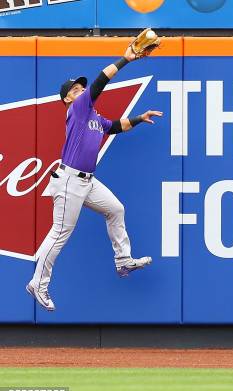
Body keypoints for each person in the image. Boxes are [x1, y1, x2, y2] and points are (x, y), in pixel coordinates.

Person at [26, 42, 163, 312]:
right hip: (69, 181)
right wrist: (126, 60)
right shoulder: (76, 110)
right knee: (60, 233)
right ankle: (38, 283)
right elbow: (100, 82)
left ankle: (123, 260)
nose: (81, 91)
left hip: (87, 181)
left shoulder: (92, 116)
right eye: (76, 90)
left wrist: (138, 118)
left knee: (115, 209)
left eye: (81, 89)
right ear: (68, 99)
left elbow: (113, 127)